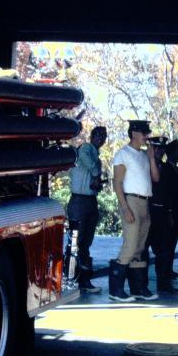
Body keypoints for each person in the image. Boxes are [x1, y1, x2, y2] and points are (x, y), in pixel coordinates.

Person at [109, 119, 160, 302]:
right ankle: (115, 290)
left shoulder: (144, 155)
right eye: (145, 133)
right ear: (134, 133)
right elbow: (117, 183)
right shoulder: (124, 154)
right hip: (130, 200)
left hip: (144, 201)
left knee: (139, 248)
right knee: (129, 247)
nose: (147, 136)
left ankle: (138, 288)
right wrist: (125, 208)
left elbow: (155, 178)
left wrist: (152, 157)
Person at [66, 126, 106, 293]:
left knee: (85, 243)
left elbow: (94, 178)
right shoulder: (85, 149)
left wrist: (97, 183)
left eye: (104, 136)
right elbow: (90, 165)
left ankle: (82, 280)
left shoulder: (97, 157)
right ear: (92, 136)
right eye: (98, 135)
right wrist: (97, 175)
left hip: (90, 201)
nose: (101, 139)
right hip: (79, 202)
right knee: (76, 242)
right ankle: (70, 279)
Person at [148, 139, 178, 294]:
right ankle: (139, 285)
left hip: (163, 213)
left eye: (161, 149)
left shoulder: (168, 169)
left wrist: (171, 213)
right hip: (147, 211)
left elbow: (171, 194)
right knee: (141, 249)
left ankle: (163, 283)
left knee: (164, 251)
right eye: (156, 148)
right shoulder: (144, 165)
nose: (159, 152)